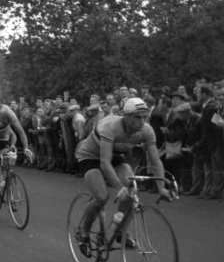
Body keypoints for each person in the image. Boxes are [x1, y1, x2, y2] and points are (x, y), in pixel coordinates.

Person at [74, 98, 172, 248]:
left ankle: (119, 230)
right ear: (126, 116)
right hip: (90, 156)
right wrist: (119, 188)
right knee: (101, 196)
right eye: (137, 117)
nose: (142, 122)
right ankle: (84, 232)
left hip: (115, 156)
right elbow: (104, 163)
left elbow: (155, 161)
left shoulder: (146, 130)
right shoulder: (110, 126)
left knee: (131, 190)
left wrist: (161, 188)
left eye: (144, 117)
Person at [0, 88, 33, 189]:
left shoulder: (7, 112)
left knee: (4, 160)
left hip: (2, 139)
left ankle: (1, 181)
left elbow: (20, 132)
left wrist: (26, 148)